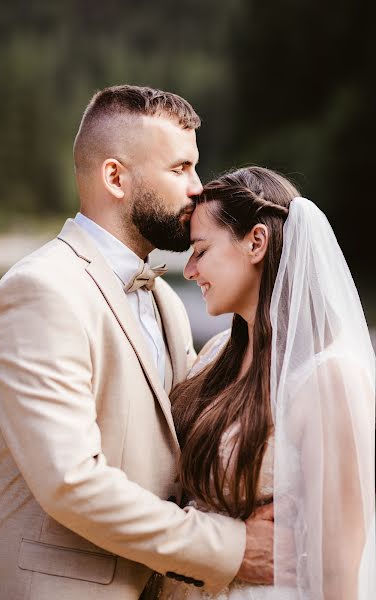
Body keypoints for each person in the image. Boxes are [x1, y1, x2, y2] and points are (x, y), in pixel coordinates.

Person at [0, 87, 274, 600]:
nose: (198, 190)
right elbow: (73, 484)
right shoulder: (41, 291)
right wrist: (234, 546)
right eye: (180, 169)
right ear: (115, 177)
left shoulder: (166, 301)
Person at [161, 166, 375, 599]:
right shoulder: (214, 355)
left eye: (201, 250)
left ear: (256, 242)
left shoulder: (327, 378)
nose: (189, 269)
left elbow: (339, 571)